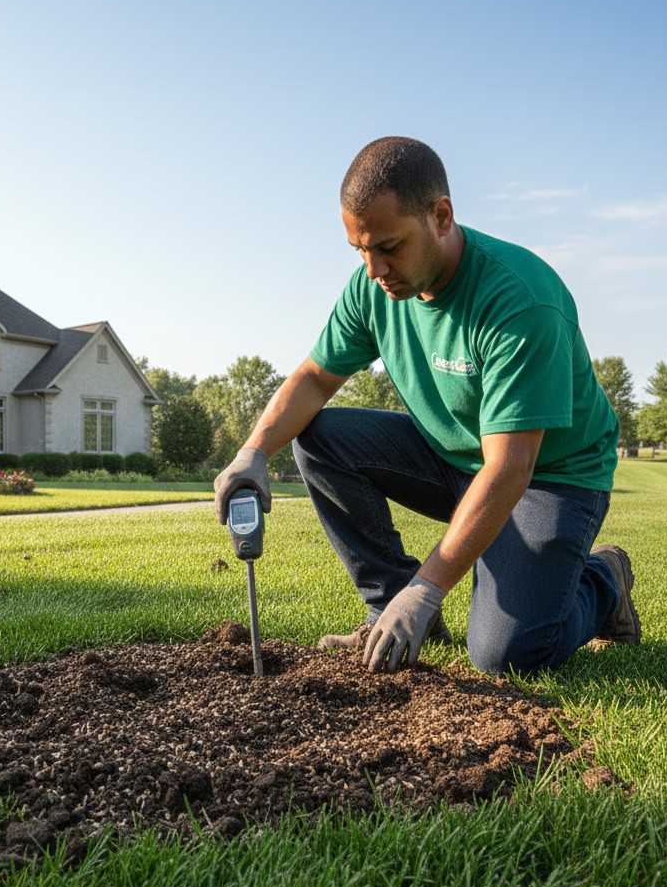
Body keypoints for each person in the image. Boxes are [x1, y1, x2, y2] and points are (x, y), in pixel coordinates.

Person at [214, 136, 641, 676]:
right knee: (319, 436)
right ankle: (386, 607)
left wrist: (428, 588)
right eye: (359, 250)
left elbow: (510, 467)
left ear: (441, 216)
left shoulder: (520, 300)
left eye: (389, 247)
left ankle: (605, 579)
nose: (373, 269)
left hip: (550, 477)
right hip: (453, 458)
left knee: (506, 657)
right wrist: (253, 451)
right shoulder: (374, 289)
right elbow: (314, 379)